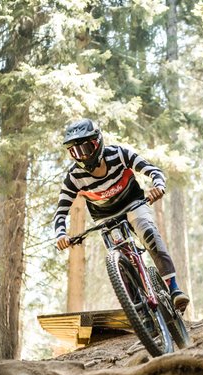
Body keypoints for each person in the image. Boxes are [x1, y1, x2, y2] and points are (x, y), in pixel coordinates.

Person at [53, 118, 190, 311]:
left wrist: (158, 186)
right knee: (120, 259)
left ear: (98, 143)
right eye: (75, 152)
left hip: (134, 203)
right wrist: (60, 234)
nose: (82, 156)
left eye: (85, 149)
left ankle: (174, 289)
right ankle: (139, 310)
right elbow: (61, 212)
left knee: (147, 232)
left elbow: (153, 170)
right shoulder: (74, 177)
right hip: (105, 217)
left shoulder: (119, 154)